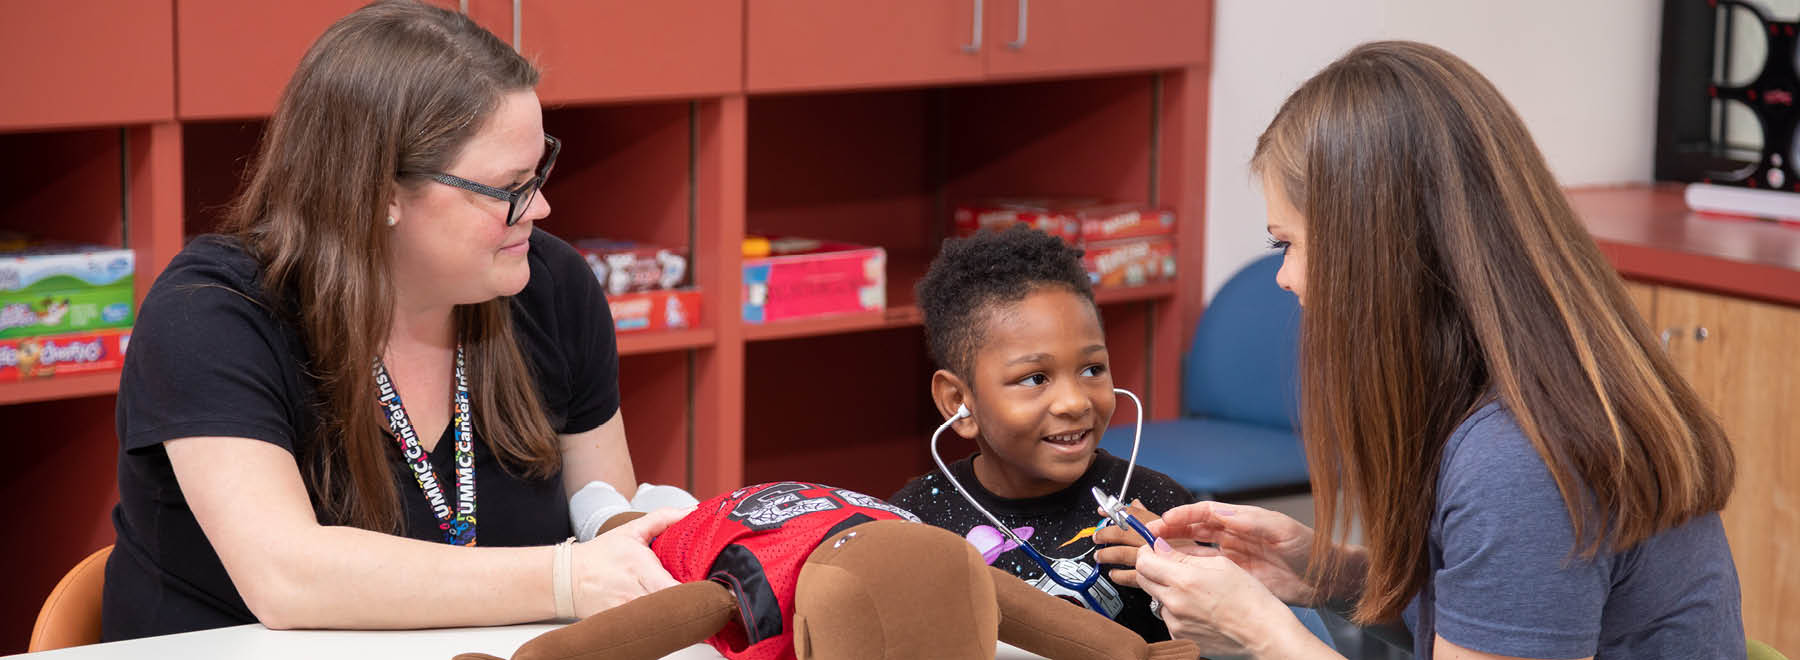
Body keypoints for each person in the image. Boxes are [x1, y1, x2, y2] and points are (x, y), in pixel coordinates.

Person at [1112, 41, 1743, 660]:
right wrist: (1327, 574)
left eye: (1289, 245)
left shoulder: (1517, 462)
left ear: (1378, 252)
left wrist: (1259, 631)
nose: (1284, 277)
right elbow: (1490, 614)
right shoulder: (1519, 399)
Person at [102, 0, 684, 641]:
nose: (540, 206)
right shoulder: (212, 313)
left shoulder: (551, 287)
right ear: (380, 193)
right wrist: (566, 578)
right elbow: (288, 577)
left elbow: (603, 513)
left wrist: (641, 538)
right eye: (508, 187)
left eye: (539, 169)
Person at [887, 226, 1195, 643]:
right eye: (1035, 378)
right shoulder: (912, 524)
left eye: (1092, 369)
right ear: (958, 401)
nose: (1074, 402)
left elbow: (1213, 644)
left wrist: (1185, 579)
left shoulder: (1160, 509)